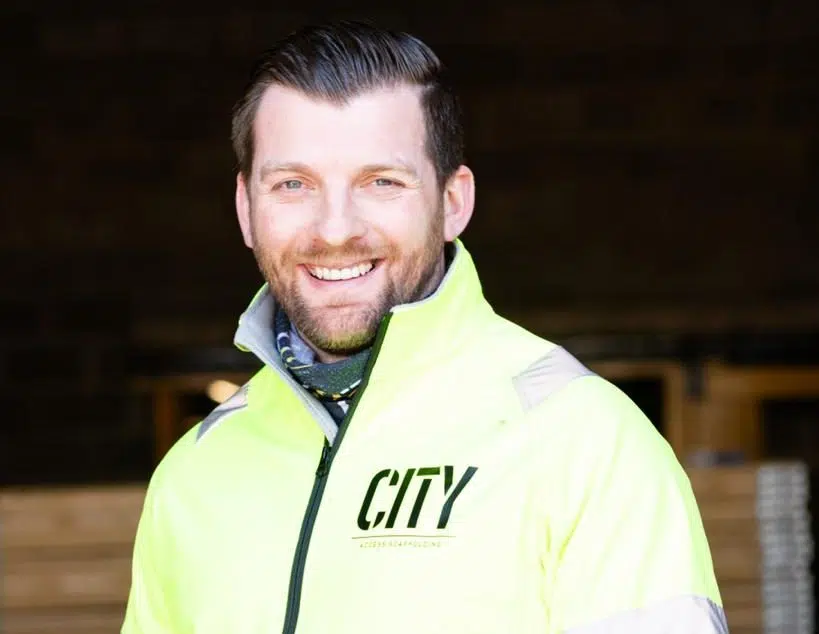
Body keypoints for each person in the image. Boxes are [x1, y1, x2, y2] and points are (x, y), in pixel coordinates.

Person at [122, 20, 728, 634]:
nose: (335, 230)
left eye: (382, 182)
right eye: (293, 185)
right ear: (245, 208)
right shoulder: (193, 474)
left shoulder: (585, 442)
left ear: (452, 202)